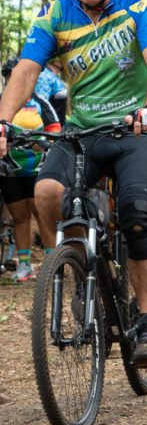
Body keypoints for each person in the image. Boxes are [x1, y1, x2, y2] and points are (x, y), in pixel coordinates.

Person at [0, 0, 147, 366]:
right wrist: (2, 121)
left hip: (136, 131)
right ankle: (79, 268)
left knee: (136, 212)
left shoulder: (139, 7)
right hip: (82, 133)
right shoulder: (54, 15)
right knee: (46, 193)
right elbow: (25, 71)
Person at [0, 89, 61, 282]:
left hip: (39, 168)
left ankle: (52, 264)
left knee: (42, 215)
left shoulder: (40, 102)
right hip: (9, 169)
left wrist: (43, 140)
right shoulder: (3, 101)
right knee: (19, 217)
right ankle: (24, 265)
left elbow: (56, 130)